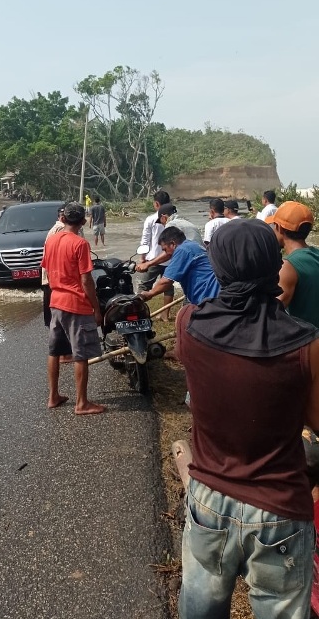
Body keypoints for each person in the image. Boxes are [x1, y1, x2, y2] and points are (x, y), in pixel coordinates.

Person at [175, 218, 319, 619]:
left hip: (208, 500)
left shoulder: (188, 323)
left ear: (218, 266)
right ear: (275, 264)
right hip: (279, 510)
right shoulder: (307, 344)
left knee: (200, 610)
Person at [41, 202, 105, 415]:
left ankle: (53, 396)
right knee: (80, 354)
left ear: (63, 219)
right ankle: (81, 403)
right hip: (75, 304)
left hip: (56, 301)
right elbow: (86, 280)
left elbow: (47, 271)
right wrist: (96, 308)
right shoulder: (80, 244)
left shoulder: (51, 240)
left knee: (55, 351)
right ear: (83, 222)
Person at [266, 201, 319, 327]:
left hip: (307, 340)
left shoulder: (288, 266)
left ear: (279, 228)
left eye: (274, 226)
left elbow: (272, 315)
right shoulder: (315, 254)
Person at [138, 226, 219, 306]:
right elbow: (168, 255)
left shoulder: (182, 250)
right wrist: (148, 264)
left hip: (208, 295)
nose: (165, 253)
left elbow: (166, 281)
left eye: (165, 249)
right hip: (215, 292)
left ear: (173, 244)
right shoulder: (192, 245)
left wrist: (150, 293)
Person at [42, 206, 73, 362]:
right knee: (63, 319)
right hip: (57, 282)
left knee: (56, 320)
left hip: (51, 280)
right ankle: (65, 354)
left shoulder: (54, 229)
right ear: (62, 218)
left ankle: (61, 353)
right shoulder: (61, 230)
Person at [139, 190, 172, 320]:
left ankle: (140, 313)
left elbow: (145, 240)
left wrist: (142, 258)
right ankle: (165, 315)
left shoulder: (151, 219)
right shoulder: (173, 219)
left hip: (153, 259)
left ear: (157, 204)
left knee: (144, 285)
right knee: (168, 287)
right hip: (170, 259)